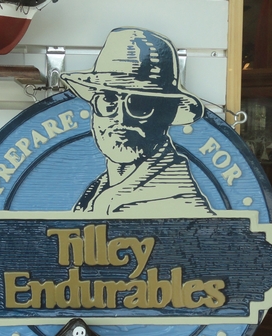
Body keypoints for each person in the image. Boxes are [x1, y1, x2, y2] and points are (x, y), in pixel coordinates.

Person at [61, 27, 214, 216]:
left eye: (139, 104)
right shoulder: (97, 192)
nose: (120, 118)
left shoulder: (177, 204)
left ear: (168, 112)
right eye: (108, 99)